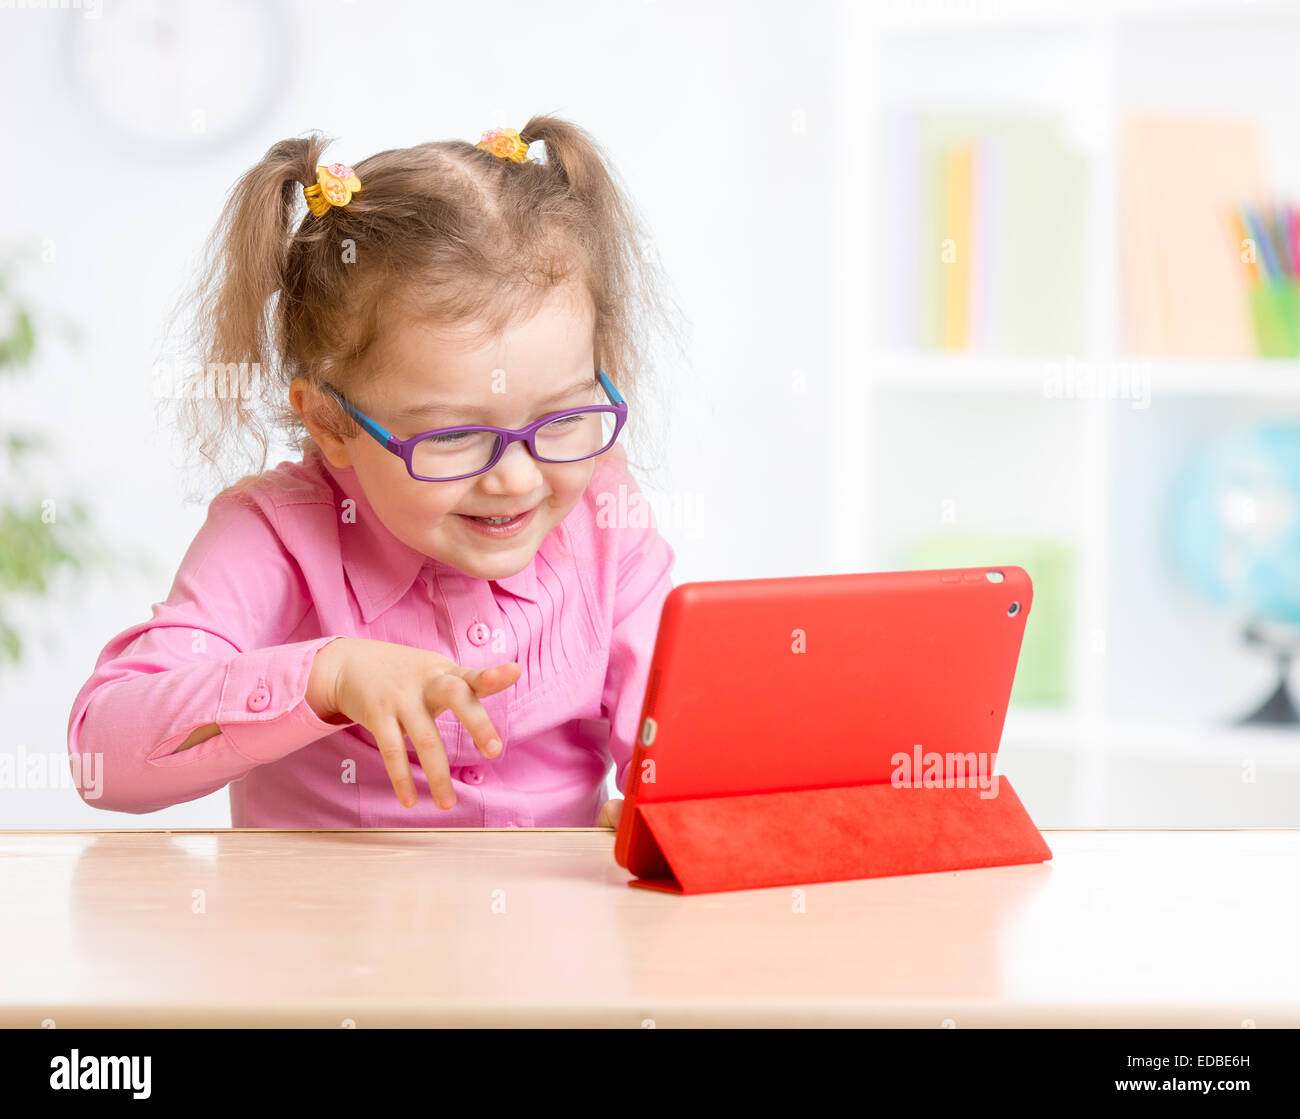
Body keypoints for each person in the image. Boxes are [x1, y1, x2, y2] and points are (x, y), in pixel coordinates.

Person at [66, 117, 680, 828]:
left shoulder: (602, 511)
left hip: (553, 935)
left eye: (563, 419)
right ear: (330, 421)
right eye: (455, 435)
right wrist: (325, 676)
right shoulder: (278, 536)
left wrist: (664, 798)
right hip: (328, 936)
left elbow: (670, 739)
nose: (517, 478)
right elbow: (101, 755)